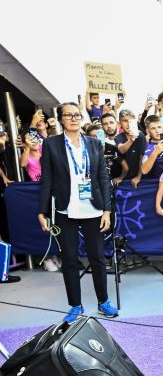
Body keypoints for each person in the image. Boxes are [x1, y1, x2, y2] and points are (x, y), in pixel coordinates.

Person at [38, 102, 118, 323]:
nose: (73, 119)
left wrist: (106, 210)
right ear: (61, 119)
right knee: (69, 260)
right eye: (68, 115)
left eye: (77, 115)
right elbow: (47, 179)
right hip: (65, 209)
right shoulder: (51, 144)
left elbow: (103, 178)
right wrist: (42, 211)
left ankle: (103, 302)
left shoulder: (94, 143)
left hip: (93, 208)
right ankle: (75, 305)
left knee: (98, 258)